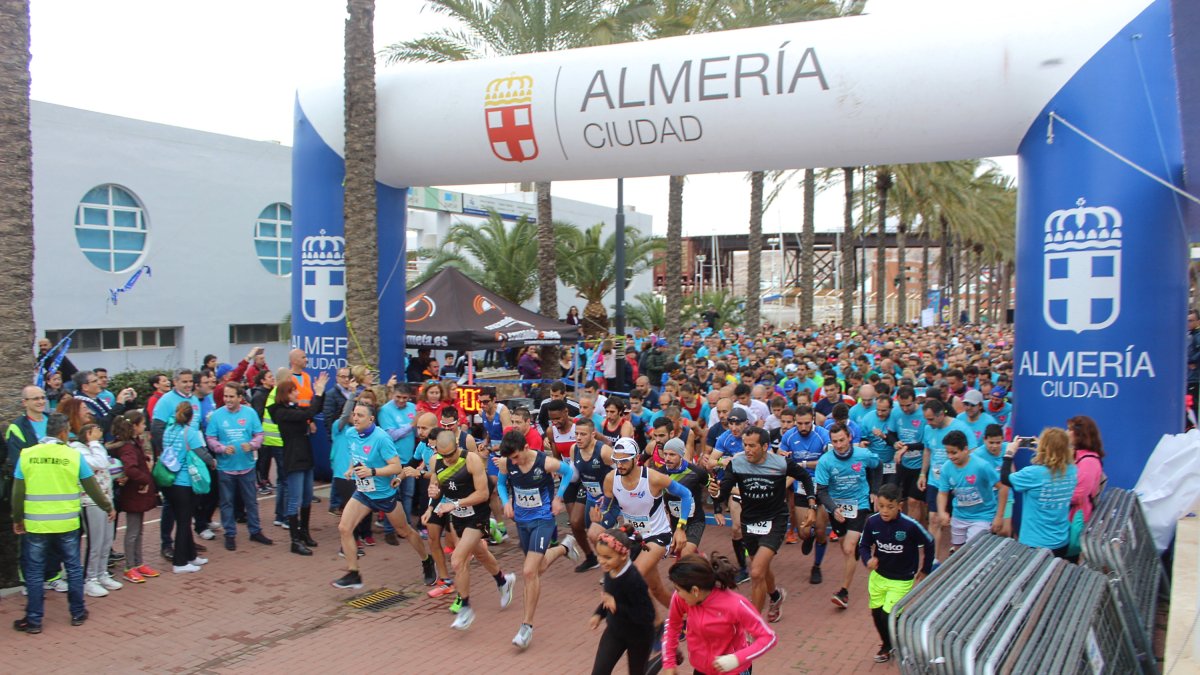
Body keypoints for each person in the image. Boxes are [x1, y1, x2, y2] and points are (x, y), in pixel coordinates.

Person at [11, 413, 114, 634]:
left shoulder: (27, 454)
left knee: (35, 572)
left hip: (37, 524)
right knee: (74, 568)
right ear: (64, 432)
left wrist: (18, 519)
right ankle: (77, 613)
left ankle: (34, 620)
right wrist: (107, 507)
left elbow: (18, 492)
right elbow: (92, 487)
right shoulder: (73, 455)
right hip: (67, 522)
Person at [711, 426, 814, 623]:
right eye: (744, 445)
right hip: (749, 521)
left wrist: (811, 505)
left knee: (756, 571)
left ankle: (753, 626)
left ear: (765, 446)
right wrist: (716, 493)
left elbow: (805, 477)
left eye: (752, 446)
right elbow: (723, 493)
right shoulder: (736, 464)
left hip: (775, 520)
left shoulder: (781, 463)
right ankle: (775, 596)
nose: (747, 450)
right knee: (762, 568)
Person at [332, 403, 436, 589]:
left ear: (371, 419)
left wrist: (372, 471)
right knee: (344, 528)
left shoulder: (381, 438)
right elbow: (355, 456)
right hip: (363, 492)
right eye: (354, 414)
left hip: (384, 494)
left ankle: (426, 560)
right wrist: (350, 469)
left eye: (361, 415)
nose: (355, 418)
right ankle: (353, 573)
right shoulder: (351, 433)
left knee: (404, 531)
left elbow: (396, 467)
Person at [422, 428, 516, 630]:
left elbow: (483, 494)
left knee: (458, 559)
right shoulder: (435, 461)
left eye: (450, 455)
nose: (447, 459)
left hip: (477, 515)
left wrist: (454, 504)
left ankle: (465, 608)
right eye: (442, 455)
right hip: (457, 517)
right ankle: (503, 581)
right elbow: (436, 487)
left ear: (457, 447)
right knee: (481, 553)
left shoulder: (471, 460)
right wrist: (431, 503)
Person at [495, 429, 580, 650]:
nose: (513, 461)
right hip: (522, 522)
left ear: (525, 447)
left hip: (543, 518)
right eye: (510, 458)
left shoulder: (545, 462)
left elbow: (568, 473)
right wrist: (506, 502)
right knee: (538, 566)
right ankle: (564, 547)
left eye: (516, 456)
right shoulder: (508, 462)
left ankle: (527, 626)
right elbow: (502, 484)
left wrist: (558, 497)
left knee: (529, 571)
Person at [597, 438, 691, 615]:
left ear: (636, 458)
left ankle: (654, 627)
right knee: (655, 589)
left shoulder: (653, 478)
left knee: (633, 576)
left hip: (658, 536)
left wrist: (680, 528)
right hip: (633, 537)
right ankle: (687, 617)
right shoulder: (611, 479)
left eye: (624, 460)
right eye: (617, 460)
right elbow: (608, 513)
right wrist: (601, 517)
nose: (620, 465)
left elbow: (686, 495)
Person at [661, 554, 778, 675]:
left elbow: (769, 637)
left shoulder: (735, 604)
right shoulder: (680, 598)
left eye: (678, 589)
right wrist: (669, 663)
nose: (676, 594)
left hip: (733, 671)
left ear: (695, 590)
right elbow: (672, 627)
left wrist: (737, 658)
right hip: (701, 669)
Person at [858, 483, 934, 664]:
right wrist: (867, 559)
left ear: (899, 506)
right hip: (878, 577)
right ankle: (888, 644)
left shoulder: (910, 526)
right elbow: (863, 545)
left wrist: (925, 569)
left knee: (888, 614)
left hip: (902, 578)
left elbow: (929, 543)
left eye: (890, 507)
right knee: (876, 613)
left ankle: (898, 642)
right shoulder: (872, 522)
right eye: (881, 506)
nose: (884, 511)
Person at [815, 423, 881, 609]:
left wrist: (875, 490)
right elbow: (822, 490)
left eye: (842, 440)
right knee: (847, 548)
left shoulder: (862, 455)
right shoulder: (825, 461)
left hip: (859, 504)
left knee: (848, 548)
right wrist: (833, 508)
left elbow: (878, 465)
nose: (839, 445)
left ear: (850, 437)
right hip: (837, 507)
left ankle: (844, 592)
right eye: (834, 441)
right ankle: (860, 548)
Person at [206, 382, 273, 551]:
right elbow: (210, 438)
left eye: (231, 396)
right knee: (227, 503)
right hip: (225, 468)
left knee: (251, 501)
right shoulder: (217, 415)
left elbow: (259, 434)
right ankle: (230, 534)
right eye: (225, 396)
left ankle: (255, 531)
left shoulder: (249, 413)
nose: (227, 400)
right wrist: (220, 448)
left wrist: (252, 445)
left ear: (240, 398)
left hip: (247, 466)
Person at [267, 373, 329, 555]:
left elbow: (314, 410)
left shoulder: (294, 408)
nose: (296, 393)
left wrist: (321, 393)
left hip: (305, 455)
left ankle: (304, 533)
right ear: (285, 393)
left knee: (307, 495)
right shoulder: (280, 412)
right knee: (295, 498)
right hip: (293, 457)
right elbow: (309, 412)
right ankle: (294, 540)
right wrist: (317, 393)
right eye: (293, 391)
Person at [588, 527, 656, 675]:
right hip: (615, 631)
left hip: (639, 636)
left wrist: (617, 606)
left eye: (607, 557)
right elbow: (610, 597)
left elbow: (647, 615)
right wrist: (599, 614)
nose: (602, 561)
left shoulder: (634, 580)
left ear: (623, 557)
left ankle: (665, 658)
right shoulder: (609, 569)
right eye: (599, 555)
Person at [1000, 428, 1078, 556]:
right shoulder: (1072, 470)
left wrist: (1009, 453)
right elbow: (1055, 464)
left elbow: (1005, 478)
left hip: (1035, 543)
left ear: (1044, 447)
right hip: (1061, 540)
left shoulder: (1033, 473)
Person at [159, 403, 216, 573]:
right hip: (184, 483)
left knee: (182, 519)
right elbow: (202, 453)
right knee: (184, 523)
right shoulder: (189, 432)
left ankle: (191, 555)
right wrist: (213, 462)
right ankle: (180, 562)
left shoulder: (169, 430)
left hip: (169, 481)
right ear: (191, 417)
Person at [71, 423, 122, 598]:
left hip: (106, 499)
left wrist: (110, 502)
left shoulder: (96, 448)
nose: (99, 436)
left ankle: (102, 574)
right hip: (90, 501)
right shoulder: (77, 450)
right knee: (96, 542)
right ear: (87, 434)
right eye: (95, 433)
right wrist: (94, 443)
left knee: (107, 540)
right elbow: (98, 463)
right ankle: (90, 579)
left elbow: (105, 464)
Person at [112, 412, 159, 583]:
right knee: (132, 531)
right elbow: (131, 468)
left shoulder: (133, 443)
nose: (145, 426)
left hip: (136, 494)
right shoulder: (128, 447)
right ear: (134, 426)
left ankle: (138, 563)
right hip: (133, 493)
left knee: (138, 530)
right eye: (142, 424)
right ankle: (129, 566)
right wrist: (145, 479)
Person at [934, 430, 998, 554]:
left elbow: (1003, 487)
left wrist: (999, 516)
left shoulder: (982, 466)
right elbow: (942, 493)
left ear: (965, 449)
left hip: (982, 515)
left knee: (973, 549)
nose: (950, 456)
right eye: (947, 452)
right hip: (959, 515)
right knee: (958, 551)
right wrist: (941, 512)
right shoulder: (947, 468)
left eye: (954, 452)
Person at [564, 417, 614, 572]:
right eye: (576, 433)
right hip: (589, 492)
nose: (578, 438)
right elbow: (574, 477)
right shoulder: (574, 449)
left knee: (596, 532)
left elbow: (621, 473)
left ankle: (612, 565)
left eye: (583, 434)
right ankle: (591, 558)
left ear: (593, 434)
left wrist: (609, 494)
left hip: (607, 496)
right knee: (577, 523)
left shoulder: (604, 451)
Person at [660, 437, 709, 558]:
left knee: (684, 556)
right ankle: (701, 559)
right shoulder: (660, 474)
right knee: (680, 553)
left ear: (681, 455)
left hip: (695, 521)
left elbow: (713, 488)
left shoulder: (697, 472)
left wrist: (718, 510)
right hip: (675, 521)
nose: (667, 458)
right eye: (665, 454)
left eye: (672, 454)